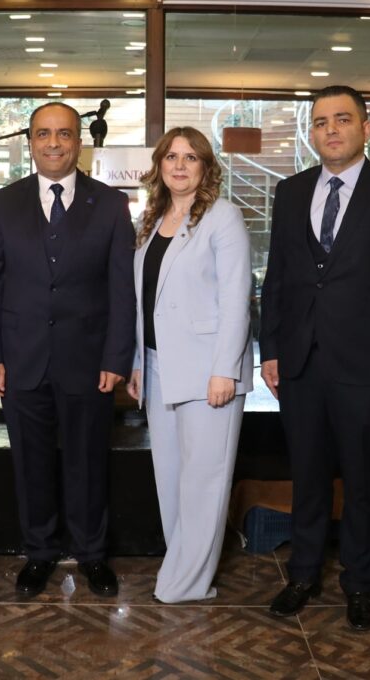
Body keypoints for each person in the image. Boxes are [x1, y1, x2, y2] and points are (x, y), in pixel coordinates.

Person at [259, 85, 370, 629]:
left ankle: (359, 582)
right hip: (301, 363)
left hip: (369, 364)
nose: (330, 130)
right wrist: (270, 349)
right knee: (308, 477)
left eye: (341, 119)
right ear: (311, 133)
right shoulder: (290, 191)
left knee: (363, 482)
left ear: (365, 127)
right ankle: (303, 574)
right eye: (320, 122)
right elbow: (278, 277)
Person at [0, 102, 135, 598]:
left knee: (88, 462)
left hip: (89, 361)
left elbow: (122, 288)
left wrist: (116, 358)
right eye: (43, 134)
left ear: (78, 142)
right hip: (20, 359)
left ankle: (92, 553)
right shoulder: (5, 201)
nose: (53, 143)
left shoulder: (110, 204)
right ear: (30, 142)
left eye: (64, 134)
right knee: (31, 463)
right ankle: (39, 551)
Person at [125, 127, 252, 603]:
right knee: (172, 477)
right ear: (159, 165)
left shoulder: (223, 217)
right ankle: (180, 566)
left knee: (204, 480)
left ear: (206, 166)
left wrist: (225, 370)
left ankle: (190, 581)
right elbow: (145, 302)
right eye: (172, 157)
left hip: (208, 370)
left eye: (191, 157)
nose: (180, 166)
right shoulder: (153, 219)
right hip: (158, 365)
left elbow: (236, 298)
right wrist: (138, 362)